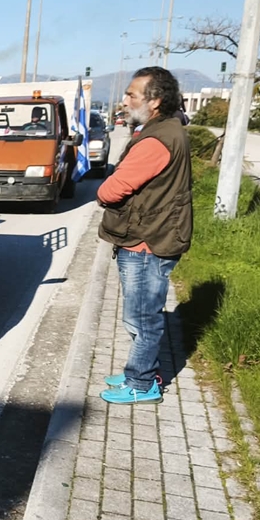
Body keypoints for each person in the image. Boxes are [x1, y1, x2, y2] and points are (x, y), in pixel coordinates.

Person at [96, 66, 193, 405]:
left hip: (147, 242)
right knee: (140, 314)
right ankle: (141, 370)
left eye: (132, 95)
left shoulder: (156, 140)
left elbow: (112, 189)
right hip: (152, 236)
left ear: (155, 101)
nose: (125, 100)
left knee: (142, 317)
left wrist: (105, 191)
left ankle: (142, 384)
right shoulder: (165, 130)